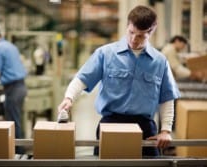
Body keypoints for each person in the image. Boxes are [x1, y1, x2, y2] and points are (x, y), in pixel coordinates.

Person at [58, 5, 180, 157]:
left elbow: (166, 98)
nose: (134, 39)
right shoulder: (105, 54)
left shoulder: (160, 61)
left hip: (145, 128)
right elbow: (82, 79)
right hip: (111, 123)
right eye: (131, 32)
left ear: (151, 32)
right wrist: (69, 98)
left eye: (141, 36)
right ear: (127, 26)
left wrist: (166, 130)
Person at [0, 25, 27, 154]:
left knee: (13, 122)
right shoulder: (10, 46)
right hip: (21, 87)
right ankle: (19, 150)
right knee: (17, 120)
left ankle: (18, 153)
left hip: (13, 89)